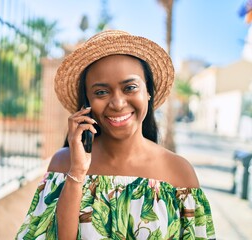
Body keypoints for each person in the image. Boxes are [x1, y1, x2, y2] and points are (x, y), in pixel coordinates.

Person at [16, 30, 215, 239]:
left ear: (148, 92)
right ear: (87, 102)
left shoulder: (179, 172)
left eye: (130, 87)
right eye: (101, 92)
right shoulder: (63, 165)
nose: (118, 103)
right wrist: (77, 173)